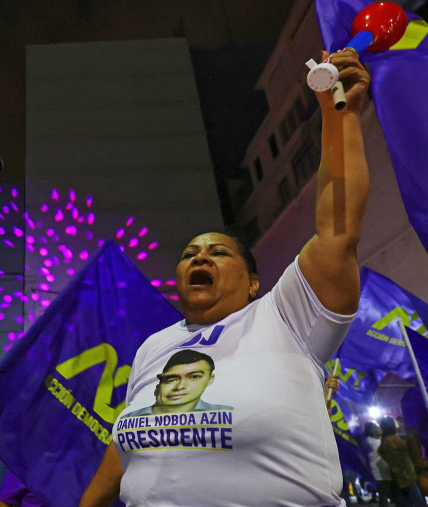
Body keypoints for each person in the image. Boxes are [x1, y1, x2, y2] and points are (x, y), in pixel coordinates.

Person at [81, 49, 371, 506]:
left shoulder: (288, 318)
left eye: (218, 252)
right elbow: (127, 446)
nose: (201, 258)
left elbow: (338, 232)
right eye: (190, 253)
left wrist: (341, 115)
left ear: (255, 282)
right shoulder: (152, 348)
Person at [125, 350, 232, 417]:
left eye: (194, 377)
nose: (180, 386)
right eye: (172, 379)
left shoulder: (227, 415)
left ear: (210, 379)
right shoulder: (131, 417)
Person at [378, 416, 426, 507]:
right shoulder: (395, 439)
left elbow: (381, 453)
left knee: (405, 502)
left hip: (396, 477)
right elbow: (410, 448)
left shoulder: (383, 442)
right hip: (408, 476)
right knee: (419, 502)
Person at [366, 421, 393, 507]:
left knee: (387, 493)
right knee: (383, 495)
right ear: (371, 430)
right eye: (377, 428)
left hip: (388, 471)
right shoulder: (368, 442)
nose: (380, 429)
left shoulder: (382, 440)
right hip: (378, 472)